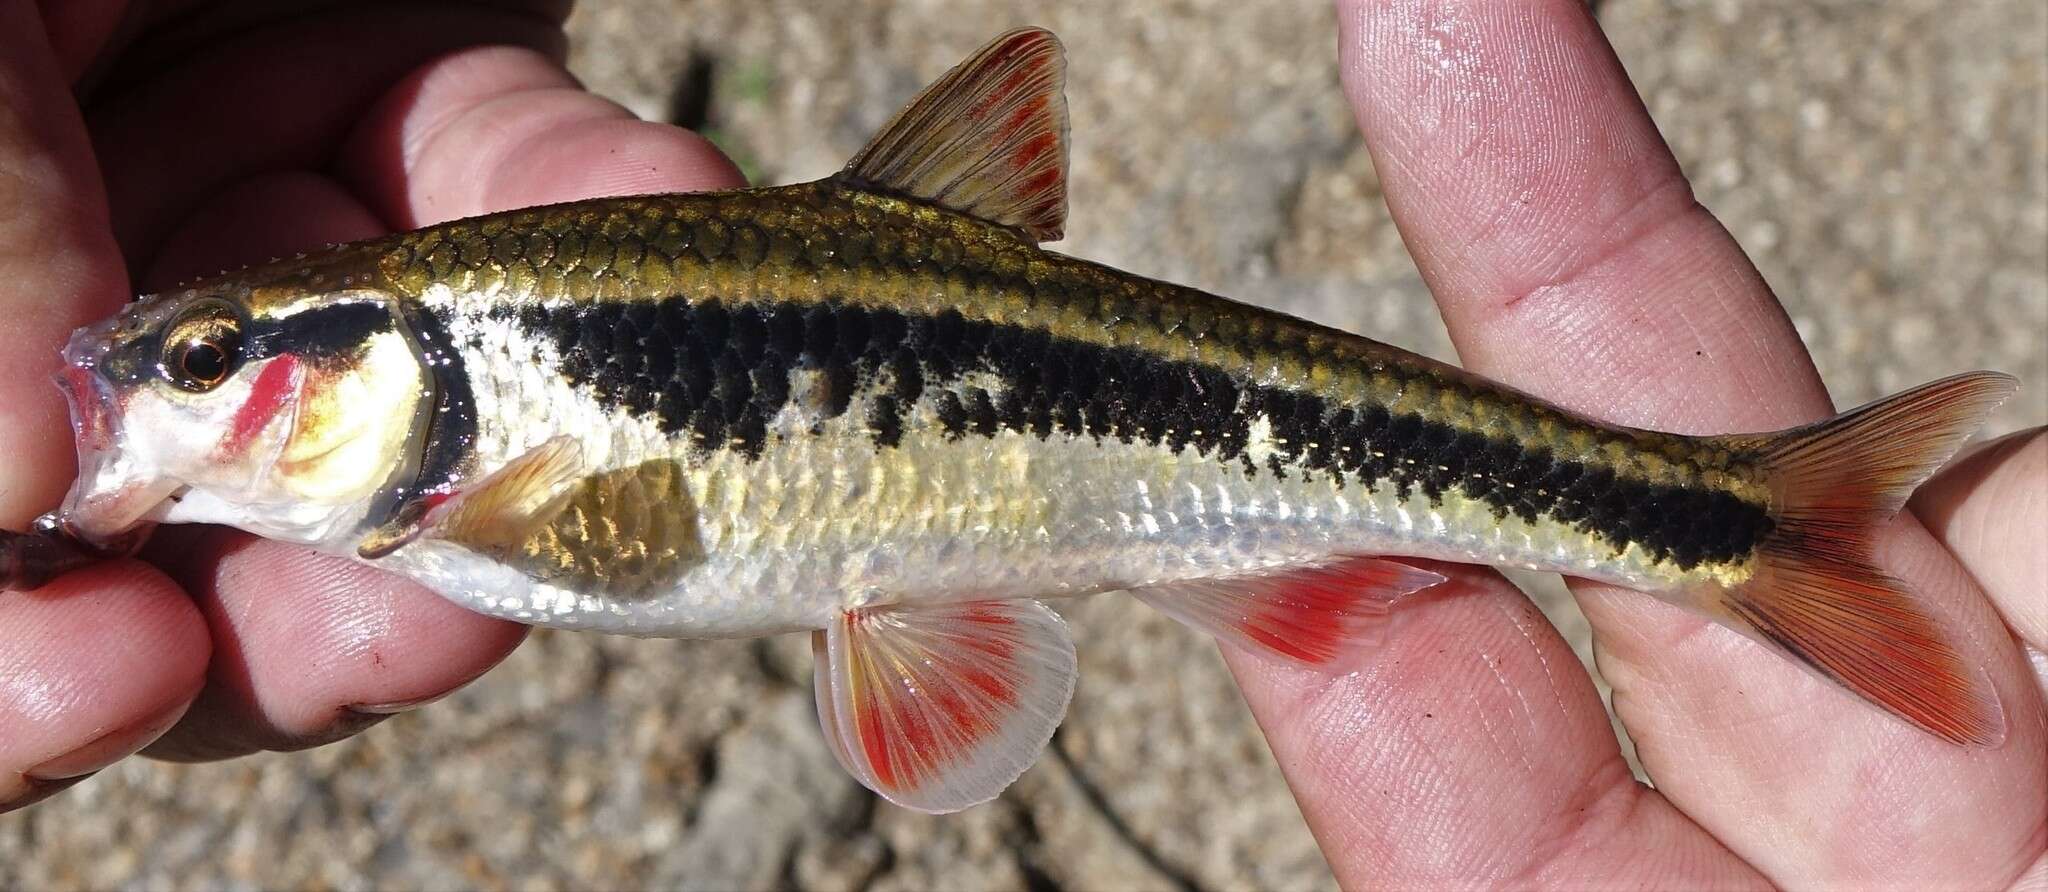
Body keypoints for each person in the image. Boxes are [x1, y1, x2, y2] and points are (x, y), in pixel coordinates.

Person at [1, 2, 2041, 886]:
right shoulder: (460, 460)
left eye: (213, 356)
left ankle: (1724, 522)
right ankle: (1728, 519)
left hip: (1034, 399)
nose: (166, 386)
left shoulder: (484, 447)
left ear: (366, 359)